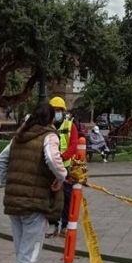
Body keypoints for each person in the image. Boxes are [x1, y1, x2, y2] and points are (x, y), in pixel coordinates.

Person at [0, 100, 67, 263]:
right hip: (34, 203)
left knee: (22, 249)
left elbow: (0, 161)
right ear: (51, 119)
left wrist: (11, 184)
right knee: (30, 251)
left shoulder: (20, 135)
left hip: (14, 201)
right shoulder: (49, 136)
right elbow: (53, 160)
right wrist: (62, 177)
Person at [48, 97, 77, 238]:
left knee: (66, 199)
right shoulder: (47, 126)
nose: (56, 113)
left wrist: (62, 157)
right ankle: (53, 225)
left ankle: (64, 226)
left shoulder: (70, 125)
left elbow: (73, 146)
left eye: (58, 110)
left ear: (63, 111)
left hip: (66, 170)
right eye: (54, 110)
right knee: (51, 198)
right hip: (51, 169)